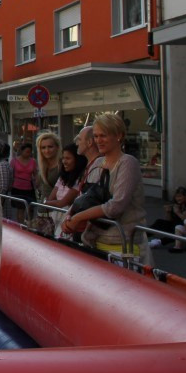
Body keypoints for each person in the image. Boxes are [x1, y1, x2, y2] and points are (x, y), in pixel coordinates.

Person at [60, 112, 149, 262]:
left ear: (119, 136)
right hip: (95, 241)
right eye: (96, 136)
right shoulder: (97, 163)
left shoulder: (127, 163)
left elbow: (116, 206)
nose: (98, 140)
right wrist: (69, 216)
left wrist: (78, 217)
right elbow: (84, 197)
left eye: (103, 136)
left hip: (122, 245)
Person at [44, 143, 88, 211]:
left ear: (77, 160)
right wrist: (48, 202)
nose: (64, 161)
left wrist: (46, 202)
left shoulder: (81, 179)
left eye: (68, 158)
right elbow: (51, 198)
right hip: (56, 217)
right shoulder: (62, 178)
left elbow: (62, 203)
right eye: (63, 158)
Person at [9, 142, 37, 221]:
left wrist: (37, 184)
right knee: (20, 209)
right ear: (22, 151)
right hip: (17, 187)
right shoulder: (14, 161)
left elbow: (35, 174)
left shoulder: (33, 161)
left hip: (29, 188)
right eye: (27, 152)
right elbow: (10, 174)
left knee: (30, 208)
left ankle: (29, 224)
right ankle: (21, 226)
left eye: (30, 152)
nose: (28, 154)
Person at [34, 132, 61, 202]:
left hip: (57, 209)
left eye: (50, 147)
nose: (47, 150)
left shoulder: (62, 165)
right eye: (43, 147)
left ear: (57, 147)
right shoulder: (42, 166)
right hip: (42, 208)